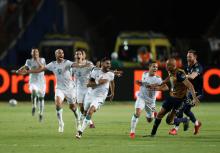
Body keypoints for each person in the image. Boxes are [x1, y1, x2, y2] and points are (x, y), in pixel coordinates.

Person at [19, 49, 86, 133]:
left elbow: (76, 65)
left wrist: (81, 62)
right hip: (59, 88)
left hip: (70, 89)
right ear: (56, 55)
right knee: (58, 104)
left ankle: (78, 121)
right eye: (59, 53)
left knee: (73, 107)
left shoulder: (67, 62)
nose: (61, 54)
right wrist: (28, 71)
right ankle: (61, 123)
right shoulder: (52, 64)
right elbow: (40, 69)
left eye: (62, 53)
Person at [149, 58, 200, 137]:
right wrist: (161, 83)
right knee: (160, 114)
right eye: (166, 65)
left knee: (169, 120)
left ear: (173, 66)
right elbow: (169, 77)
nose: (166, 66)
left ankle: (185, 120)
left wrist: (195, 98)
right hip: (171, 97)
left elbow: (190, 85)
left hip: (180, 100)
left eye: (167, 65)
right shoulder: (171, 72)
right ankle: (153, 134)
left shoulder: (180, 74)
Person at [75, 57, 116, 139]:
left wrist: (112, 93)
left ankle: (80, 132)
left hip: (100, 97)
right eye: (107, 63)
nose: (109, 65)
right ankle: (80, 122)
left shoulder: (111, 74)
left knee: (91, 111)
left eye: (109, 64)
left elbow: (112, 82)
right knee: (84, 112)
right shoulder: (95, 71)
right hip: (90, 95)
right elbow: (89, 84)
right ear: (102, 63)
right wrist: (98, 82)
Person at [129, 61, 169, 139]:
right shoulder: (144, 74)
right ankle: (132, 132)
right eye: (153, 66)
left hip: (150, 101)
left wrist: (156, 88)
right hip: (141, 98)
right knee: (137, 113)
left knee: (149, 120)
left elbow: (166, 87)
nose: (155, 68)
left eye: (156, 67)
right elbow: (143, 84)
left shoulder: (158, 79)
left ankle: (151, 115)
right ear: (149, 67)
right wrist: (139, 83)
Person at [169, 49, 203, 135]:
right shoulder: (187, 67)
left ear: (195, 57)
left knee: (181, 109)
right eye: (187, 56)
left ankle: (175, 129)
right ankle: (197, 123)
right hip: (188, 92)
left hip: (197, 93)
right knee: (186, 111)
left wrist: (182, 76)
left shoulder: (198, 67)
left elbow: (192, 77)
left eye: (190, 57)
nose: (188, 58)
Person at [17, 48, 46, 122]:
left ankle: (41, 114)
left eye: (36, 52)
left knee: (41, 99)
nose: (35, 53)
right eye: (33, 52)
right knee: (33, 91)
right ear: (31, 53)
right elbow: (25, 67)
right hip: (33, 81)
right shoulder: (29, 61)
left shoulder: (42, 60)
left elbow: (42, 67)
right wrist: (19, 70)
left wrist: (37, 60)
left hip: (41, 82)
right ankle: (34, 106)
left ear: (38, 53)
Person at [72, 49, 95, 128]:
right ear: (75, 56)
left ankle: (90, 123)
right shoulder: (73, 66)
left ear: (82, 56)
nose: (78, 55)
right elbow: (73, 77)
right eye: (76, 54)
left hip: (88, 88)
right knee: (81, 107)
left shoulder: (88, 64)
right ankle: (89, 121)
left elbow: (95, 71)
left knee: (86, 106)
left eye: (79, 54)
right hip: (79, 88)